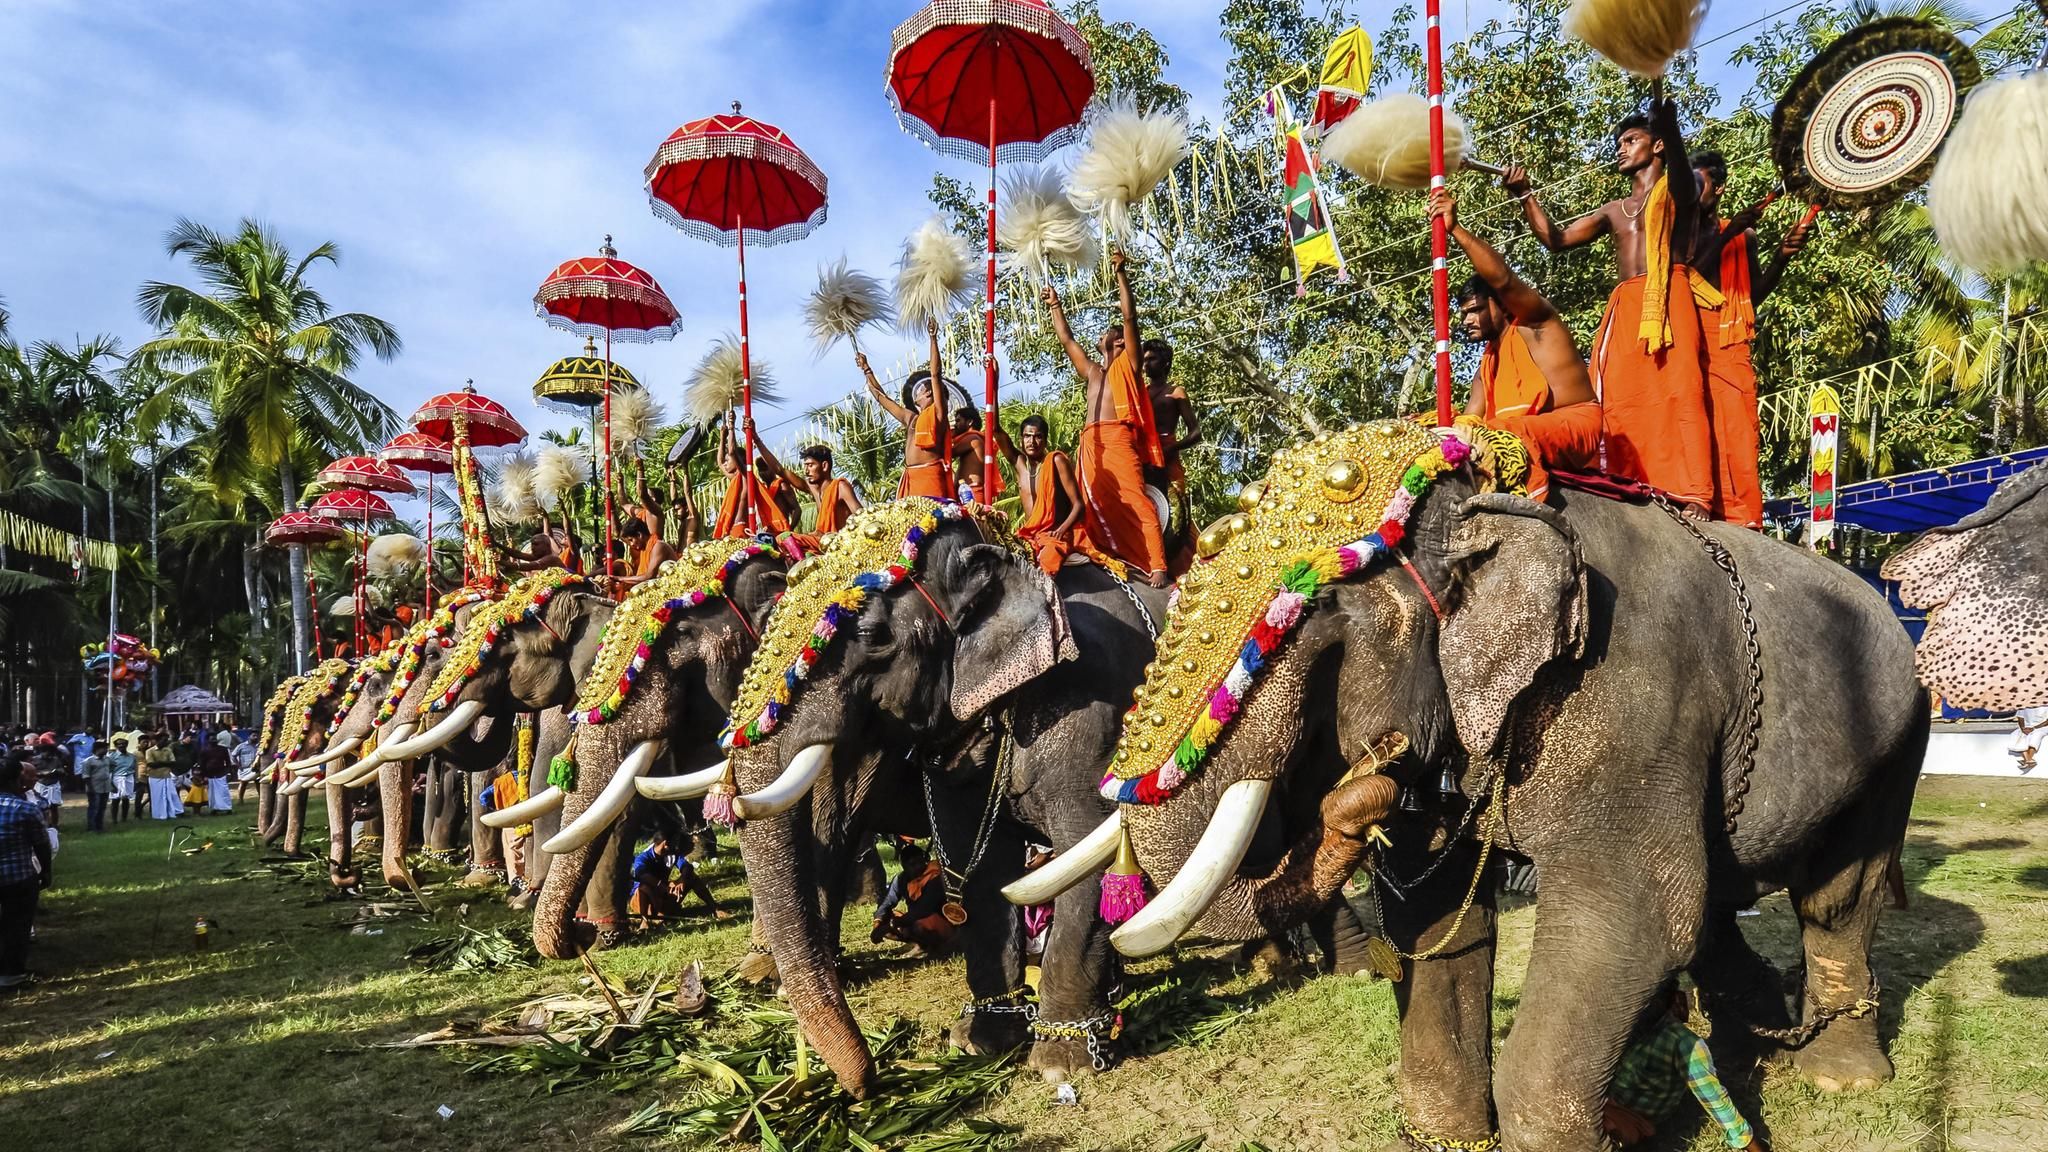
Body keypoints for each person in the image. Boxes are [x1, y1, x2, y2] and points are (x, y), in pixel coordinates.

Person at [1506, 97, 1714, 515]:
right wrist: (1525, 194)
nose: (1620, 148)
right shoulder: (1613, 211)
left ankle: (1696, 494)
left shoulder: (1678, 188)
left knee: (1682, 392)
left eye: (1631, 139)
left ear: (1656, 147)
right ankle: (1629, 481)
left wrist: (1669, 128)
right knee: (1619, 398)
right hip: (1626, 305)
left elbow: (1686, 190)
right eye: (1619, 142)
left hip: (1670, 295)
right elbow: (1557, 240)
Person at [1431, 187, 1604, 502]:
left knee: (1500, 431)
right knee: (1442, 431)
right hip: (1515, 429)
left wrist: (1454, 228)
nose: (1466, 321)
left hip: (1577, 425)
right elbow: (1472, 420)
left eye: (1475, 311)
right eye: (1463, 314)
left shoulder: (1536, 323)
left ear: (1501, 304)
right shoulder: (1487, 364)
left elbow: (1503, 280)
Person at [1690, 150, 1815, 529]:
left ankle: (1742, 516)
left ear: (1719, 188)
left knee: (1737, 429)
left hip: (1729, 342)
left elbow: (1751, 294)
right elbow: (1685, 277)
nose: (1693, 190)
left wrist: (1782, 256)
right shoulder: (1679, 231)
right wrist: (1727, 234)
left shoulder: (1743, 235)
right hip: (1688, 339)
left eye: (1700, 183)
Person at [1044, 249, 1170, 586]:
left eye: (1105, 333)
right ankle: (1115, 560)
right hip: (1091, 444)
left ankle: (1157, 563)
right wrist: (1056, 306)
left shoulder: (1128, 363)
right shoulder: (1094, 372)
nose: (1100, 335)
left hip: (1117, 437)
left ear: (1115, 341)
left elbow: (1130, 319)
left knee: (1133, 498)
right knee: (1095, 503)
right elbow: (1066, 339)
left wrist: (1121, 276)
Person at [1604, 982, 1767, 1150]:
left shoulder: (1683, 1044)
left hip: (1624, 1119)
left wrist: (1751, 1145)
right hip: (1606, 1110)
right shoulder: (1641, 1031)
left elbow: (1716, 1102)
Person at [863, 328, 958, 501]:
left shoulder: (938, 413)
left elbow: (935, 375)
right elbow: (883, 399)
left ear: (929, 393)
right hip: (911, 480)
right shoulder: (911, 418)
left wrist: (933, 339)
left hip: (930, 478)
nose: (917, 392)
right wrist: (866, 369)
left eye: (921, 389)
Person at [992, 414, 1085, 577]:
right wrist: (995, 392)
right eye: (1027, 436)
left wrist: (1061, 531)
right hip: (1029, 536)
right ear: (1021, 439)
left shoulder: (1056, 461)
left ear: (1045, 440)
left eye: (1037, 437)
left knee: (1045, 568)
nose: (1032, 442)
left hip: (1054, 536)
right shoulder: (1020, 464)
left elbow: (1078, 505)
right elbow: (995, 430)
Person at [1141, 337, 1202, 576]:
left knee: (1177, 515)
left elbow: (1195, 432)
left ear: (1165, 362)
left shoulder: (1176, 392)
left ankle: (1189, 570)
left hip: (1168, 459)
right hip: (1145, 460)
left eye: (1152, 359)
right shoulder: (1140, 394)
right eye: (1144, 360)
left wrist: (1170, 449)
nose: (1146, 364)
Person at [0, 755, 52, 990]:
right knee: (17, 926)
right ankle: (11, 975)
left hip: (17, 878)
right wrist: (46, 873)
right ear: (16, 780)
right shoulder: (25, 809)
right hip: (18, 878)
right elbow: (42, 845)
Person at [711, 418, 794, 538]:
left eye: (727, 460)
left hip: (741, 528)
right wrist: (722, 437)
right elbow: (719, 462)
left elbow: (732, 451)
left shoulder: (746, 476)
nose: (725, 464)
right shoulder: (734, 479)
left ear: (737, 461)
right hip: (731, 529)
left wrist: (731, 428)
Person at [869, 842, 955, 957]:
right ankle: (920, 944)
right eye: (912, 864)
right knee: (886, 920)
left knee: (919, 926)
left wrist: (895, 923)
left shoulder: (934, 877)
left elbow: (923, 910)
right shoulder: (901, 880)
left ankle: (934, 946)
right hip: (913, 919)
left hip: (940, 923)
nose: (918, 867)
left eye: (920, 862)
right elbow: (887, 902)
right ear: (904, 866)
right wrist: (878, 922)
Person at [629, 833, 728, 928]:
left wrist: (682, 880)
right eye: (674, 842)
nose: (676, 846)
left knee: (691, 877)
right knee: (644, 887)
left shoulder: (671, 854)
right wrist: (664, 887)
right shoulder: (642, 858)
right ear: (666, 843)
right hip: (643, 901)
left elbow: (687, 867)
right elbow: (643, 876)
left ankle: (715, 909)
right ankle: (644, 921)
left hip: (663, 896)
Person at [793, 444, 861, 536]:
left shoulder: (840, 487)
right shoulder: (816, 491)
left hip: (842, 542)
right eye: (805, 466)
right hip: (823, 543)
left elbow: (862, 516)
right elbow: (781, 471)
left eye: (810, 465)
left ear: (824, 466)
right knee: (785, 539)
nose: (806, 471)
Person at [143, 732, 182, 820]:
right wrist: (165, 764)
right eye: (163, 740)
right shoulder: (150, 751)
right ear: (157, 740)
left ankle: (171, 813)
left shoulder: (168, 750)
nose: (165, 742)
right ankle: (159, 815)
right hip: (154, 777)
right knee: (157, 797)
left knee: (170, 795)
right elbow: (151, 764)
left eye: (166, 740)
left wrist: (160, 763)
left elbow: (173, 763)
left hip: (166, 776)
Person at [30, 734, 64, 826]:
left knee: (54, 807)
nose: (48, 755)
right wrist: (42, 773)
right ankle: (42, 825)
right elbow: (31, 772)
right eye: (46, 753)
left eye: (51, 753)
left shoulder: (56, 759)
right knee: (41, 807)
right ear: (42, 752)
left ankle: (54, 826)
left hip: (53, 784)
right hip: (41, 784)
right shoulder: (34, 760)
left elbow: (62, 770)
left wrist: (56, 771)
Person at [82, 741, 112, 832]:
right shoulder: (88, 761)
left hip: (105, 787)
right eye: (104, 748)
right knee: (94, 808)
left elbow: (111, 769)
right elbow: (86, 777)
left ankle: (99, 826)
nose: (106, 750)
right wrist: (91, 789)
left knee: (102, 808)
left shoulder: (107, 759)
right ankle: (91, 827)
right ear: (97, 749)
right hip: (94, 788)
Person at [200, 735, 233, 814]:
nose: (213, 740)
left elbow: (228, 762)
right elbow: (202, 764)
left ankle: (227, 808)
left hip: (221, 774)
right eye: (211, 739)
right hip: (210, 775)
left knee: (223, 792)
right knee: (212, 794)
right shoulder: (204, 750)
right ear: (208, 740)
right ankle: (214, 809)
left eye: (214, 739)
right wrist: (204, 776)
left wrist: (228, 772)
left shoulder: (223, 749)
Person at [109, 736, 138, 822]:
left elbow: (135, 769)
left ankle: (124, 818)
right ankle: (114, 819)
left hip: (129, 778)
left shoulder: (132, 756)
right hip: (117, 778)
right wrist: (111, 783)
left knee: (126, 799)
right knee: (115, 799)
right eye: (119, 744)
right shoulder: (112, 756)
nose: (122, 745)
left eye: (124, 744)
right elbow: (109, 771)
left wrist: (136, 780)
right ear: (116, 746)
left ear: (127, 745)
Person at [231, 733, 260, 804]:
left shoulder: (259, 746)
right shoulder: (241, 746)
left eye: (256, 736)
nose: (256, 737)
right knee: (243, 783)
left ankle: (261, 799)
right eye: (253, 735)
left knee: (258, 783)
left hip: (256, 768)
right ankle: (240, 800)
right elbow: (233, 756)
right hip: (244, 769)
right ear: (248, 737)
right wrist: (238, 765)